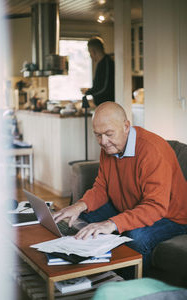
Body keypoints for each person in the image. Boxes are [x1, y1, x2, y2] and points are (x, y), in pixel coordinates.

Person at [53, 102, 187, 276]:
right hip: (132, 206)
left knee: (136, 237)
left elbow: (155, 206)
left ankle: (134, 289)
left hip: (172, 216)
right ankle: (95, 275)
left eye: (109, 134)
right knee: (84, 216)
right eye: (98, 135)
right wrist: (79, 205)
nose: (103, 142)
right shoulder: (109, 147)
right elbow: (102, 187)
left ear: (126, 126)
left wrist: (112, 223)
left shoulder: (152, 151)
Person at [81, 37, 115, 106]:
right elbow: (100, 86)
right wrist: (89, 90)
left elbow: (105, 88)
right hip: (101, 106)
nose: (90, 55)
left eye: (89, 52)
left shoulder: (107, 63)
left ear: (93, 51)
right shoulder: (101, 64)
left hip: (107, 106)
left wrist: (88, 91)